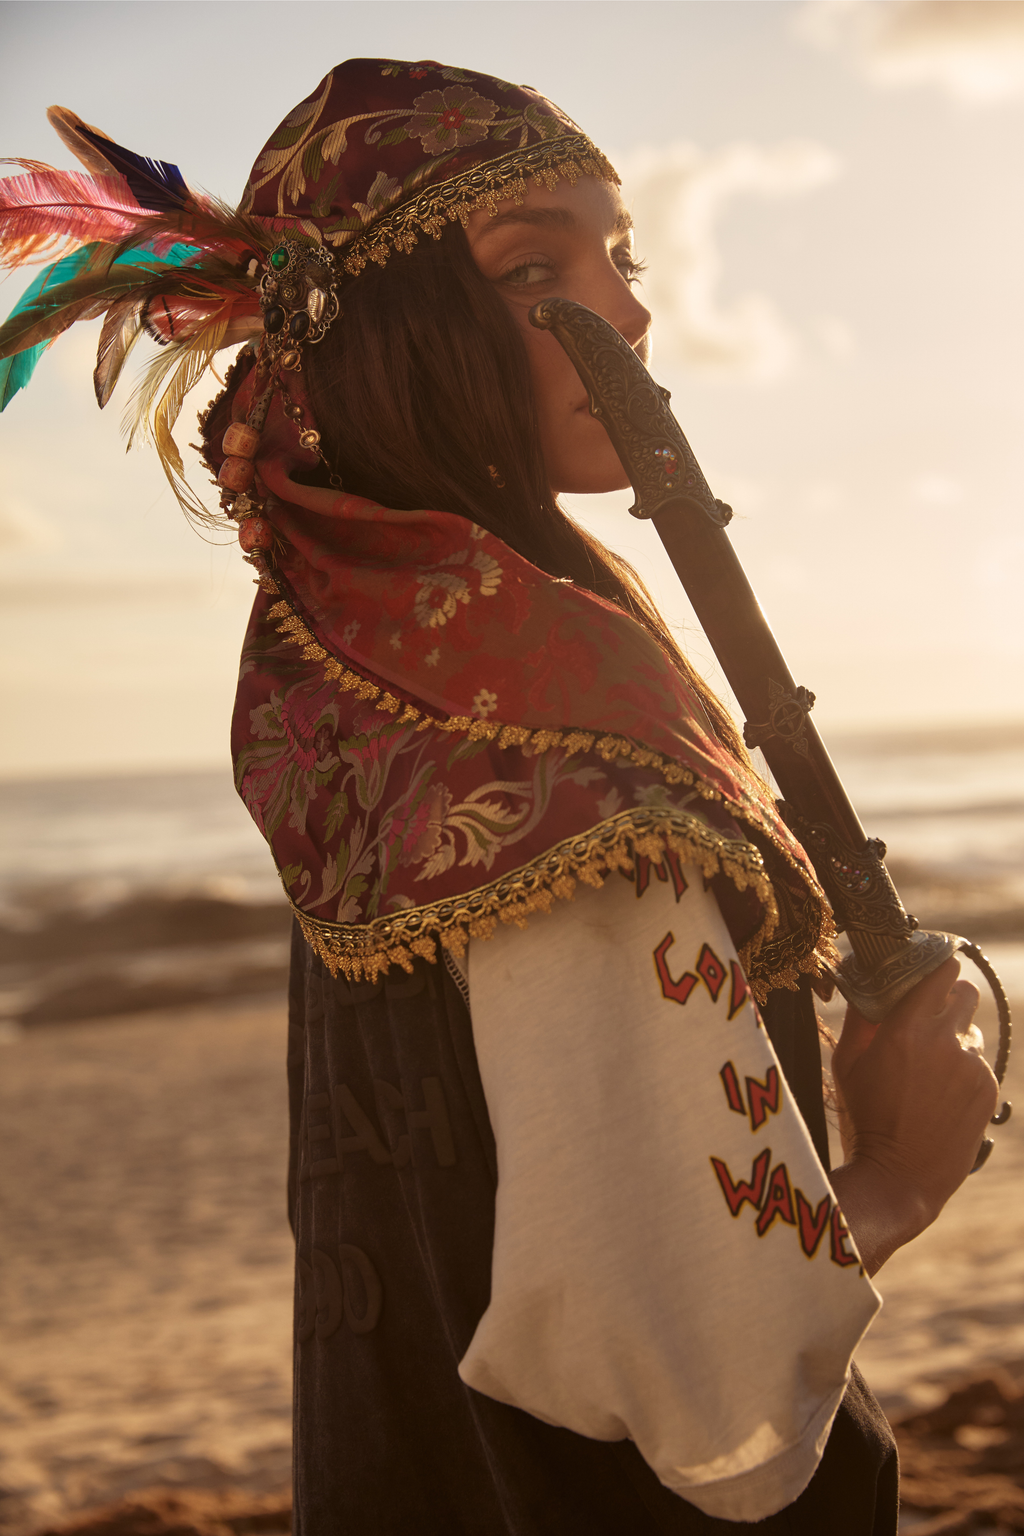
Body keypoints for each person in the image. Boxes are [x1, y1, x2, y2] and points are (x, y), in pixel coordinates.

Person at [0, 57, 998, 1534]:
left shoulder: (357, 668)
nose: (628, 314)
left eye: (623, 260)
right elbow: (708, 1387)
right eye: (536, 268)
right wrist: (903, 1172)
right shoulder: (563, 735)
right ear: (392, 331)